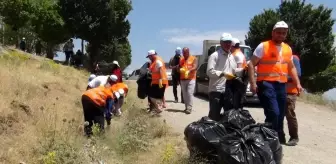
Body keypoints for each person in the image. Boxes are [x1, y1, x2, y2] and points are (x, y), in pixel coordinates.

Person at [247, 21, 303, 144]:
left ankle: (275, 135)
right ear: (273, 33)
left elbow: (291, 67)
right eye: (278, 32)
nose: (281, 35)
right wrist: (253, 83)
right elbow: (251, 64)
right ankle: (272, 137)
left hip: (281, 85)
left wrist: (297, 84)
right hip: (266, 84)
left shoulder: (287, 48)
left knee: (280, 113)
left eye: (283, 33)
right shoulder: (264, 46)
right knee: (274, 112)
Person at [207, 33, 237, 121]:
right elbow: (209, 71)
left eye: (229, 42)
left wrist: (243, 69)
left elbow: (233, 71)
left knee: (228, 116)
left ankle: (224, 133)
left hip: (228, 90)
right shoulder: (215, 56)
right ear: (221, 43)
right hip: (216, 90)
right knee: (214, 115)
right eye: (225, 42)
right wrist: (222, 73)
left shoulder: (231, 56)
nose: (228, 44)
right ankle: (212, 133)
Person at [285, 53, 301, 146]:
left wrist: (281, 77)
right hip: (279, 91)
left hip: (290, 91)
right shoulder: (278, 58)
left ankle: (294, 137)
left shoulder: (293, 58)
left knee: (290, 114)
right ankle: (279, 136)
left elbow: (297, 74)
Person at [147, 50, 168, 115]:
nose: (149, 58)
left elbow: (161, 70)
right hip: (156, 82)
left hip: (159, 82)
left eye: (149, 56)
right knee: (156, 96)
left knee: (152, 96)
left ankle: (159, 108)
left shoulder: (158, 61)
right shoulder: (154, 61)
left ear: (152, 55)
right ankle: (156, 109)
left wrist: (161, 80)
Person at [230, 38, 248, 109]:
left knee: (236, 101)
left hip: (238, 81)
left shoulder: (237, 55)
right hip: (238, 81)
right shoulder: (238, 53)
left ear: (232, 46)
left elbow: (239, 69)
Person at [179, 47, 197, 114]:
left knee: (189, 93)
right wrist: (180, 69)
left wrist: (189, 70)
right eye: (183, 53)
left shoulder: (193, 58)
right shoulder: (181, 59)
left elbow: (195, 66)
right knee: (184, 94)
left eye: (185, 53)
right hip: (183, 79)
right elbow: (180, 66)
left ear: (188, 52)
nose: (183, 54)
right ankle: (186, 107)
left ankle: (189, 108)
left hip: (191, 79)